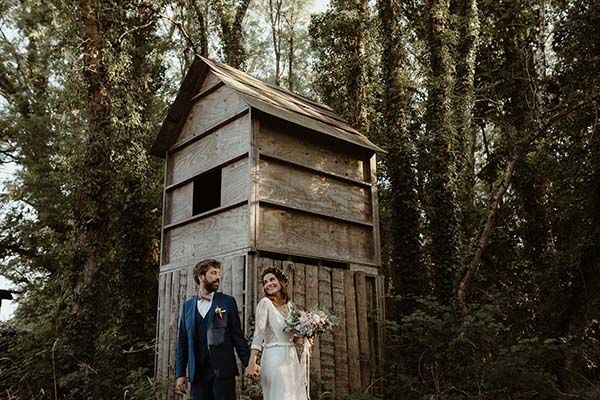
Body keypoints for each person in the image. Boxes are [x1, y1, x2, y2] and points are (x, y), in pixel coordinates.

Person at [175, 259, 260, 400]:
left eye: (219, 274)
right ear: (201, 277)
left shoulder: (227, 301)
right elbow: (183, 342)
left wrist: (248, 364)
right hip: (198, 373)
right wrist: (180, 374)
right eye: (213, 273)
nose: (218, 277)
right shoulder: (187, 306)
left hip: (223, 371)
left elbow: (237, 337)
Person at [247, 267, 309, 400]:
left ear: (281, 282)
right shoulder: (265, 303)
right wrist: (252, 362)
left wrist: (304, 339)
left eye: (272, 279)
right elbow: (258, 335)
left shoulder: (290, 306)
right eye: (265, 282)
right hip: (274, 357)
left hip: (291, 357)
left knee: (294, 396)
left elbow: (290, 336)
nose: (268, 284)